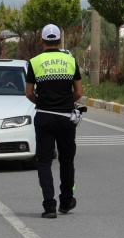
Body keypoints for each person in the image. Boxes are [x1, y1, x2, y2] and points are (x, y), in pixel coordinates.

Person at [25, 24, 83, 219]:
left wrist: (42, 102)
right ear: (60, 40)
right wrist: (66, 103)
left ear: (41, 40)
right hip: (66, 118)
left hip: (44, 117)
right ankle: (66, 201)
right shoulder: (70, 60)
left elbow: (28, 93)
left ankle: (49, 205)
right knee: (67, 160)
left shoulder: (34, 62)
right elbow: (79, 92)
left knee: (44, 162)